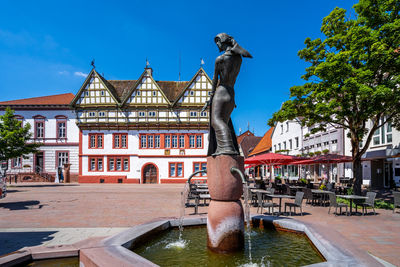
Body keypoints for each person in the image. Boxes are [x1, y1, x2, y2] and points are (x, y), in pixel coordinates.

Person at [202, 33, 252, 156]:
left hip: (221, 91)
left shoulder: (220, 59)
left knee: (216, 121)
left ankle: (226, 147)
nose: (217, 45)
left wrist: (211, 97)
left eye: (218, 42)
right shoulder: (239, 59)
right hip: (231, 93)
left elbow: (215, 80)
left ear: (222, 41)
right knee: (225, 122)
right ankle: (223, 148)